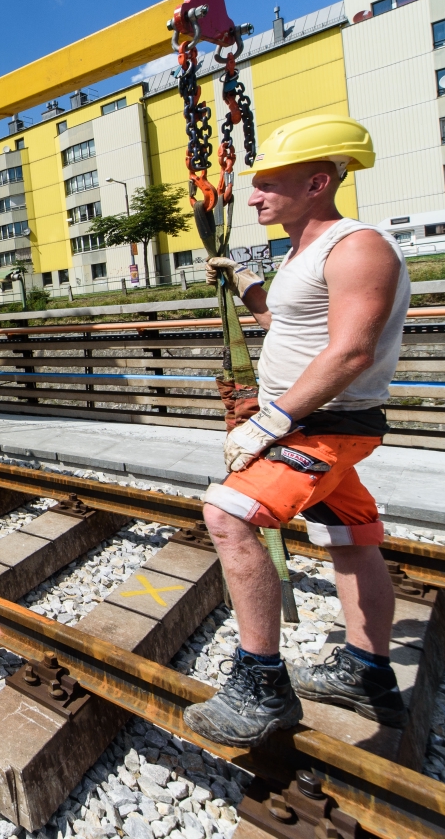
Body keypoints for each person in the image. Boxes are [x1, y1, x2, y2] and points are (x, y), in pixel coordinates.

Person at [183, 114, 411, 748]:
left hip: (324, 424)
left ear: (316, 182)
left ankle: (261, 685)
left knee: (230, 515)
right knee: (351, 535)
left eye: (267, 184)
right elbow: (287, 324)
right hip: (313, 421)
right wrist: (246, 284)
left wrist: (270, 423)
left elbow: (350, 353)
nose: (252, 196)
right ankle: (367, 673)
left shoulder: (356, 246)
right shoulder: (303, 252)